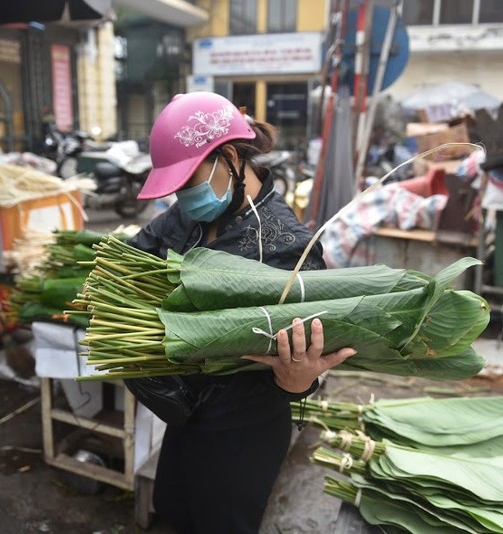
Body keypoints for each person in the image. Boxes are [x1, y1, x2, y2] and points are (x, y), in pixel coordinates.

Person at [128, 91, 356, 533]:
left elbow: (305, 360)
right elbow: (139, 254)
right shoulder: (185, 217)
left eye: (186, 179)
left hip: (242, 432)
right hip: (182, 418)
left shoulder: (289, 246)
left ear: (229, 157)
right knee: (173, 513)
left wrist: (299, 380)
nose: (181, 194)